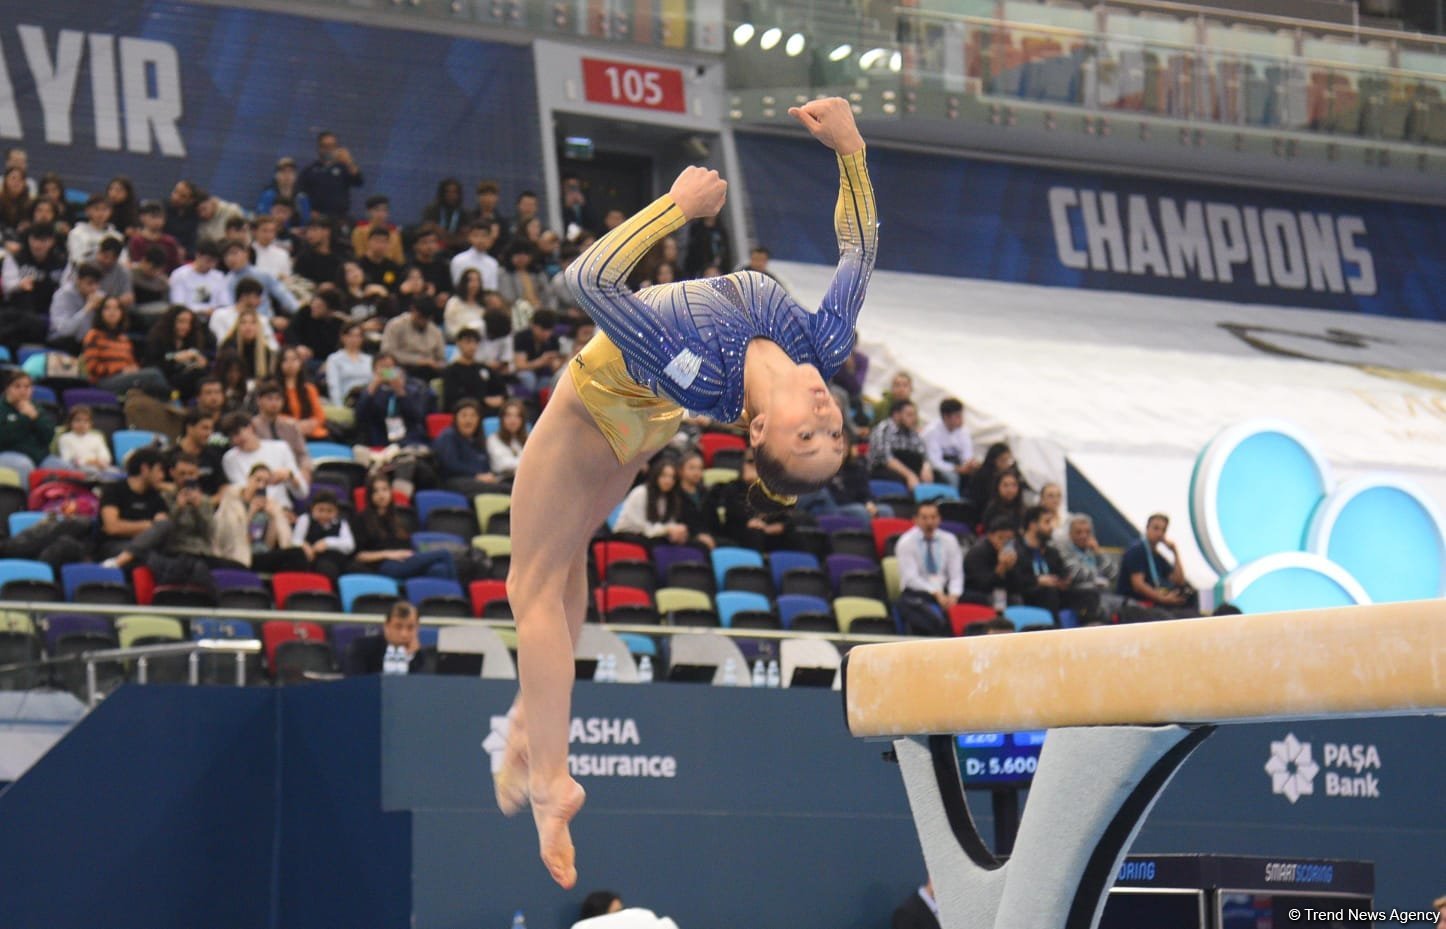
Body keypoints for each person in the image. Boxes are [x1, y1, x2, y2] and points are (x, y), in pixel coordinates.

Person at [493, 97, 876, 890]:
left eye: (809, 435)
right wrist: (851, 151)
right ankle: (534, 718)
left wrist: (674, 207)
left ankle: (548, 782)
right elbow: (859, 247)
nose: (827, 418)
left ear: (760, 429)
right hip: (643, 426)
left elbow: (587, 279)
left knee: (527, 584)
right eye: (833, 433)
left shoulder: (696, 355)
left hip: (598, 407)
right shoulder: (823, 345)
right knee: (565, 568)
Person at [352, 475, 458, 581]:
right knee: (445, 554)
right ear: (370, 495)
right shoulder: (361, 519)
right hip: (385, 565)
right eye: (376, 491)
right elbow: (359, 556)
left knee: (439, 570)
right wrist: (388, 554)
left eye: (385, 489)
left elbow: (408, 547)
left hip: (406, 561)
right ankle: (459, 593)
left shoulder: (397, 519)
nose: (381, 495)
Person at [214, 462, 307, 572]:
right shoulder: (232, 502)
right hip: (238, 555)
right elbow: (233, 537)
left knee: (297, 553)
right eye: (258, 480)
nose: (261, 486)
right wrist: (250, 513)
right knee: (295, 555)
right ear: (249, 478)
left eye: (265, 482)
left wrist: (275, 517)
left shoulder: (269, 504)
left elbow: (272, 543)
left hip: (261, 554)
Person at [894, 501, 965, 635]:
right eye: (924, 518)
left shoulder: (949, 540)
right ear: (915, 520)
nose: (929, 522)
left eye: (933, 517)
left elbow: (956, 574)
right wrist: (935, 592)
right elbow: (911, 578)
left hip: (945, 592)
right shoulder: (906, 542)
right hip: (918, 593)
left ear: (939, 519)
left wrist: (954, 594)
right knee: (910, 607)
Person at [82, 298, 172, 398]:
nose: (112, 312)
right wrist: (120, 370)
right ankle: (174, 403)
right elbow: (92, 367)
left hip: (124, 377)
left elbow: (130, 363)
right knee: (153, 375)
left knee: (153, 379)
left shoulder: (123, 339)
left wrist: (134, 368)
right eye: (107, 308)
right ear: (100, 313)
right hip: (104, 381)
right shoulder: (94, 335)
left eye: (116, 308)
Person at [220, 412, 308, 509]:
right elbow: (244, 493)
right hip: (253, 511)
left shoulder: (281, 448)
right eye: (231, 437)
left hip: (283, 508)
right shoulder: (230, 458)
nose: (236, 439)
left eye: (238, 433)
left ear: (250, 428)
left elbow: (302, 493)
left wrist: (290, 476)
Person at [1118, 513, 1197, 617]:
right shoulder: (1137, 550)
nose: (1159, 533)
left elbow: (1179, 581)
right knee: (1168, 618)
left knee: (1191, 600)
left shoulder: (1157, 556)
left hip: (1155, 603)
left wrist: (1175, 553)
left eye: (1163, 530)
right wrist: (1162, 599)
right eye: (1156, 528)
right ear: (1147, 528)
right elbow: (1138, 585)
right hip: (1135, 603)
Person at [97, 446, 170, 560]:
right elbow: (112, 527)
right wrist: (150, 525)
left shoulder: (156, 497)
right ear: (145, 469)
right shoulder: (114, 490)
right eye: (159, 470)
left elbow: (161, 528)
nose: (162, 476)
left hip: (146, 546)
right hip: (113, 546)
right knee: (148, 556)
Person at [0, 371, 67, 488]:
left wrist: (36, 418)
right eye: (17, 386)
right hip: (8, 454)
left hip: (40, 457)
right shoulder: (2, 409)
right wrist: (25, 417)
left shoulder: (36, 409)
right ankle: (25, 504)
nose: (23, 390)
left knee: (64, 467)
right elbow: (5, 438)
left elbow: (48, 436)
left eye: (27, 387)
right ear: (7, 389)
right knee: (25, 466)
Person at [354, 352, 430, 448]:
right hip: (379, 438)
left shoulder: (412, 389)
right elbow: (360, 416)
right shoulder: (368, 392)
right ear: (374, 370)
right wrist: (373, 386)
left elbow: (417, 415)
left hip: (408, 437)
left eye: (390, 367)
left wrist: (400, 391)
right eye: (383, 367)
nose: (387, 371)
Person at [343, 601, 436, 675]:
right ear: (386, 626)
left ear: (417, 628)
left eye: (410, 627)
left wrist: (410, 657)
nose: (404, 634)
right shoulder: (362, 648)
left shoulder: (424, 657)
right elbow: (356, 683)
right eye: (398, 627)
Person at [434, 399, 502, 496]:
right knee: (503, 489)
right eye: (464, 415)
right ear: (455, 418)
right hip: (453, 482)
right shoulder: (448, 436)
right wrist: (476, 475)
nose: (468, 420)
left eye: (473, 416)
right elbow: (450, 464)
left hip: (478, 482)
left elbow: (485, 465)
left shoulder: (479, 440)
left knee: (504, 485)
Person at [251, 376, 315, 475]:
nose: (274, 403)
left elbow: (303, 454)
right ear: (259, 401)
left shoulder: (291, 426)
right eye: (270, 399)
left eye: (278, 399)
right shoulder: (252, 426)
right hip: (263, 473)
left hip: (291, 473)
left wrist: (305, 471)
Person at [613, 459, 688, 542]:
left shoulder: (669, 498)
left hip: (651, 535)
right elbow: (644, 527)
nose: (668, 480)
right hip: (628, 535)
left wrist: (676, 531)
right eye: (664, 476)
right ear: (656, 476)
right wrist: (667, 529)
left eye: (672, 477)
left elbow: (667, 524)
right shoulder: (640, 493)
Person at [868, 399, 933, 489]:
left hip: (907, 468)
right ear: (896, 415)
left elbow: (923, 454)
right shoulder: (883, 429)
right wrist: (909, 475)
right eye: (909, 415)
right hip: (883, 469)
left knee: (937, 478)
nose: (914, 419)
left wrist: (926, 467)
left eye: (915, 415)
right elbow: (886, 459)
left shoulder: (912, 432)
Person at [299, 131, 364, 221]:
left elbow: (359, 181)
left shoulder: (343, 168)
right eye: (326, 146)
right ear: (319, 148)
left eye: (333, 146)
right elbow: (300, 195)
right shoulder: (309, 170)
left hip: (340, 218)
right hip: (318, 219)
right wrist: (309, 212)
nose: (329, 150)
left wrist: (349, 162)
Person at [292, 489, 355, 579]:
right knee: (327, 569)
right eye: (320, 510)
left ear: (336, 512)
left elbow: (350, 545)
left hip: (337, 558)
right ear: (312, 509)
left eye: (330, 511)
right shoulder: (305, 519)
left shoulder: (341, 523)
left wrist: (327, 543)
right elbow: (295, 540)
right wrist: (304, 545)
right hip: (314, 559)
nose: (324, 514)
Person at [441, 327, 507, 412]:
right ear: (458, 343)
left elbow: (501, 387)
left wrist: (500, 398)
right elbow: (452, 397)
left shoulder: (483, 368)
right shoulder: (451, 371)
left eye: (475, 342)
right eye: (468, 342)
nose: (472, 346)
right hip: (464, 411)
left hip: (488, 410)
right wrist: (483, 400)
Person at [963, 516, 1022, 606]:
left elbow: (1016, 585)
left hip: (1000, 591)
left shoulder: (1013, 551)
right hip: (976, 592)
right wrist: (1001, 567)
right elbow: (982, 585)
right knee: (996, 600)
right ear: (990, 536)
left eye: (1009, 539)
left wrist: (1010, 569)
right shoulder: (977, 553)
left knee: (1017, 598)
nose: (1004, 542)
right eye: (1000, 538)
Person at [923, 397, 979, 490]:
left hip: (957, 464)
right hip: (937, 466)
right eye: (957, 416)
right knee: (953, 478)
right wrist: (957, 469)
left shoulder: (963, 431)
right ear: (946, 417)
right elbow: (935, 462)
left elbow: (967, 455)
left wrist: (969, 464)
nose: (961, 419)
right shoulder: (932, 432)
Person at [48, 261, 107, 349]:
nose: (94, 288)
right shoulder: (63, 295)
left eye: (97, 284)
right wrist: (87, 308)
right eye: (90, 283)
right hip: (62, 339)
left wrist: (102, 310)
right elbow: (65, 330)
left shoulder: (100, 296)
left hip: (87, 340)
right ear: (79, 281)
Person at [380, 304, 445, 380]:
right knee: (386, 373)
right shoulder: (395, 325)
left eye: (426, 318)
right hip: (399, 367)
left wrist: (437, 364)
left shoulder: (435, 331)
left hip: (428, 369)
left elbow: (441, 358)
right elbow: (387, 352)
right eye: (420, 317)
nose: (422, 321)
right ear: (413, 311)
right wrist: (418, 361)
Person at [512, 308, 564, 396]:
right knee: (528, 378)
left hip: (544, 374)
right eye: (543, 330)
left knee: (550, 381)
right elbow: (519, 366)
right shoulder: (522, 337)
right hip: (525, 372)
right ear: (534, 326)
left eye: (549, 330)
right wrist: (540, 362)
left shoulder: (553, 340)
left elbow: (556, 366)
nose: (546, 334)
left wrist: (554, 363)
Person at [57, 406, 120, 478]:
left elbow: (106, 457)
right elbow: (66, 461)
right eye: (78, 420)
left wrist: (100, 462)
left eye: (86, 421)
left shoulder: (97, 437)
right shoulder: (65, 438)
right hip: (78, 471)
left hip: (100, 468)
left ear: (91, 423)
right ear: (70, 422)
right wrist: (87, 461)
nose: (82, 424)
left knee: (117, 473)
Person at [168, 241, 228, 316]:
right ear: (198, 256)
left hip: (213, 317)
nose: (211, 265)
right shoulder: (179, 275)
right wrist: (201, 311)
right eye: (208, 260)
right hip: (188, 317)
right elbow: (178, 304)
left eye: (214, 262)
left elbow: (224, 303)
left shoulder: (219, 277)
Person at [325, 320, 373, 407]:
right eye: (350, 336)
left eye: (358, 336)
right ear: (343, 337)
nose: (354, 339)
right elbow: (333, 385)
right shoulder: (334, 359)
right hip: (348, 400)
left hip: (368, 399)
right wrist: (339, 406)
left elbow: (381, 373)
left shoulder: (369, 359)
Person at [675, 451, 716, 549]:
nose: (696, 472)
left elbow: (713, 522)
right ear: (680, 470)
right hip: (686, 537)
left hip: (709, 535)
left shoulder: (706, 493)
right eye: (692, 468)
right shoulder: (675, 494)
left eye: (700, 468)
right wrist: (697, 536)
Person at [256, 156, 311, 227]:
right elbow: (262, 218)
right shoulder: (268, 195)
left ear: (296, 176)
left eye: (290, 172)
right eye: (283, 172)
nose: (287, 175)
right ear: (276, 175)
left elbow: (306, 221)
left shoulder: (301, 197)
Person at [450, 221, 500, 289]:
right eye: (476, 235)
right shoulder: (458, 260)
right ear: (469, 237)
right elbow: (457, 285)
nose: (480, 240)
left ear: (489, 238)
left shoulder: (493, 263)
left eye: (484, 235)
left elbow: (492, 289)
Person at [485, 399, 528, 480]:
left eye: (517, 416)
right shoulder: (493, 439)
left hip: (525, 478)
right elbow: (502, 465)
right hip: (504, 479)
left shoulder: (528, 440)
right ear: (502, 419)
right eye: (509, 415)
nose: (513, 420)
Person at [444, 268, 487, 340]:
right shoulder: (454, 302)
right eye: (471, 281)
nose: (475, 284)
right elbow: (449, 326)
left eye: (477, 281)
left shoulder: (483, 304)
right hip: (459, 341)